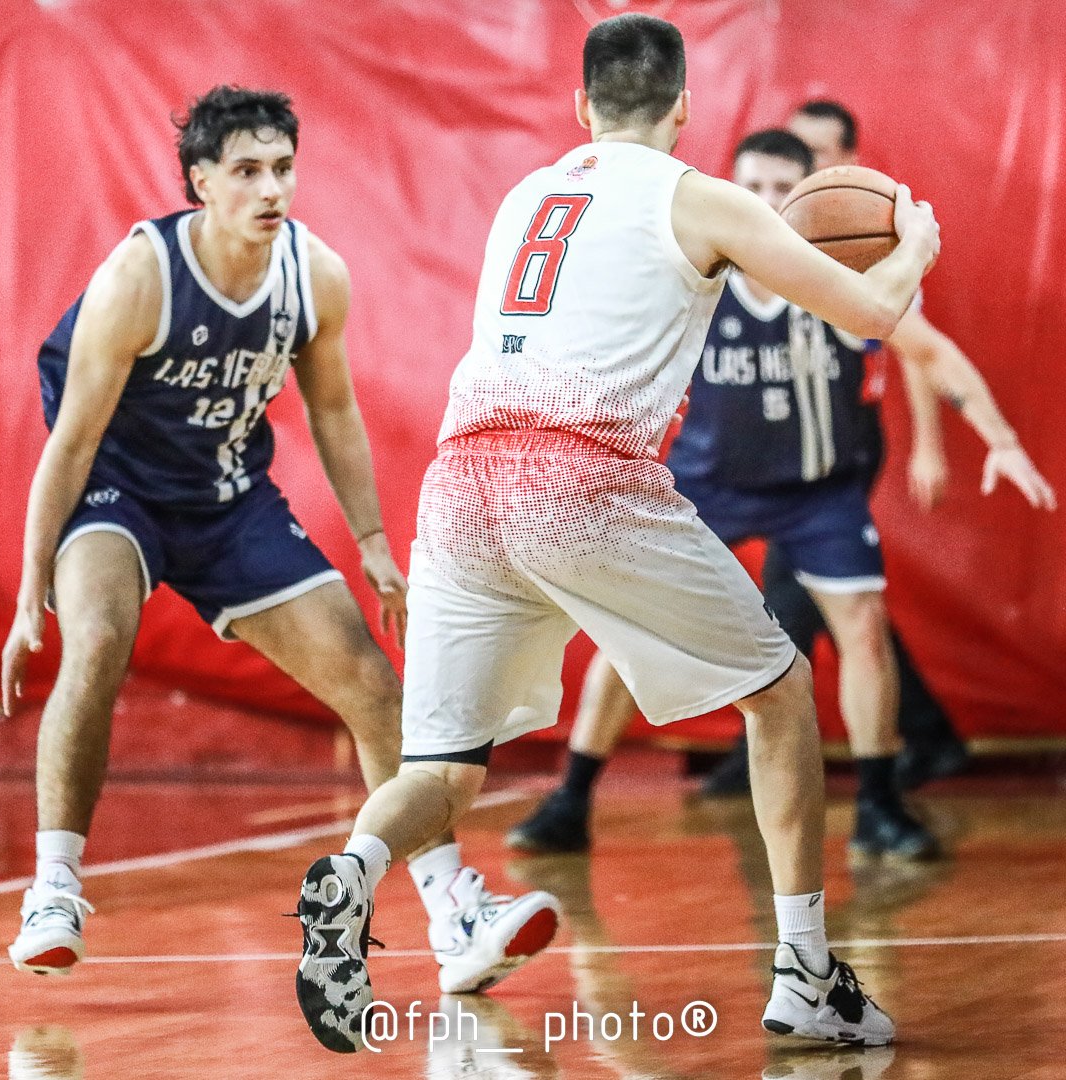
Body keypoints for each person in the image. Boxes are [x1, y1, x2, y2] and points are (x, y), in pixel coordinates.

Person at [293, 14, 943, 1053]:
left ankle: (352, 873)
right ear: (685, 107)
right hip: (580, 475)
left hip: (460, 484)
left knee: (449, 768)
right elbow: (866, 315)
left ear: (581, 107)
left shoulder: (527, 196)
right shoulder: (704, 198)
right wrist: (911, 248)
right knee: (779, 700)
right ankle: (806, 974)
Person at [1, 86, 555, 989]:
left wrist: (375, 542)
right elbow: (70, 444)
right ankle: (54, 888)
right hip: (119, 489)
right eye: (247, 171)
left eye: (284, 169)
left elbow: (332, 408)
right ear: (200, 184)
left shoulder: (314, 274)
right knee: (97, 638)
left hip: (228, 499)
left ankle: (456, 912)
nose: (271, 190)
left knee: (375, 686)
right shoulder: (140, 276)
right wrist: (33, 591)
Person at [505, 128, 1054, 862]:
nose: (764, 202)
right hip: (709, 482)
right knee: (631, 631)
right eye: (752, 187)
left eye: (779, 189)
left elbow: (931, 352)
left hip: (817, 489)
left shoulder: (838, 279)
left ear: (804, 196)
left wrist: (1002, 439)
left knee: (862, 626)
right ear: (730, 191)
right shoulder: (694, 273)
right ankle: (571, 798)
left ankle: (881, 806)